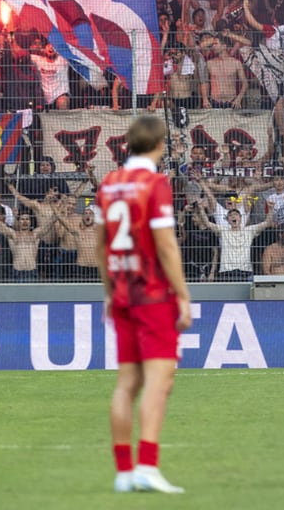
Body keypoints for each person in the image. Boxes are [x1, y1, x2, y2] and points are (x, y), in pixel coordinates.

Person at [95, 115, 192, 494]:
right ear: (159, 144)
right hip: (152, 294)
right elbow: (166, 244)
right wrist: (182, 294)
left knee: (126, 383)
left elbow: (101, 246)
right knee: (158, 382)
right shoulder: (155, 184)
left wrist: (108, 291)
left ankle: (123, 472)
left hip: (121, 291)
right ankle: (147, 466)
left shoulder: (109, 183)